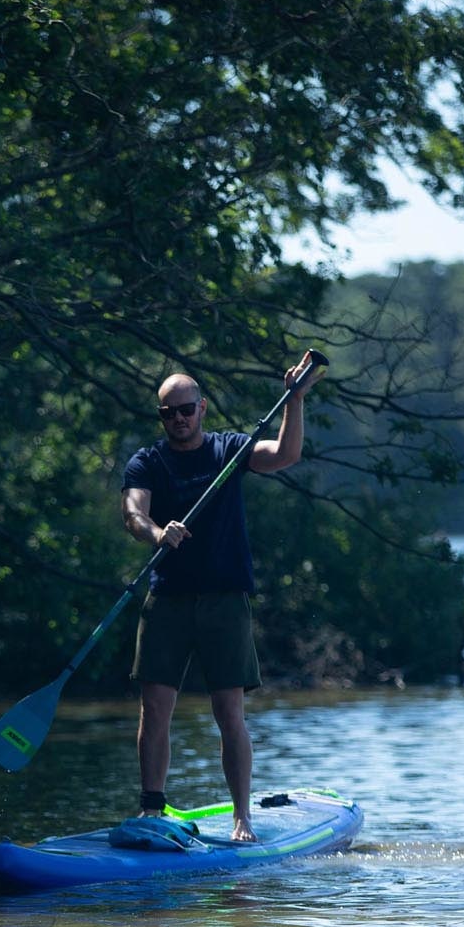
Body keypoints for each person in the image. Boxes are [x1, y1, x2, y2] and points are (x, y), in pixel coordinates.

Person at [121, 352, 319, 842]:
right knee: (155, 708)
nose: (178, 419)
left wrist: (294, 400)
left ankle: (241, 818)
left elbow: (286, 455)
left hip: (224, 600)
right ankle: (151, 808)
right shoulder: (147, 461)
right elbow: (133, 514)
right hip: (168, 598)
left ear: (202, 408)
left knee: (229, 712)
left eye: (186, 410)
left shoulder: (229, 450)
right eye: (168, 413)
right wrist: (156, 532)